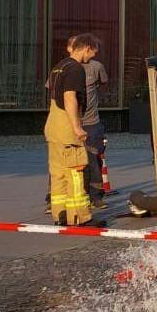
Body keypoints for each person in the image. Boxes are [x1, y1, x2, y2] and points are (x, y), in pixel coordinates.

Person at [44, 34, 99, 225]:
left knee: (58, 174)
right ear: (86, 48)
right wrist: (77, 127)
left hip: (53, 126)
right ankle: (81, 217)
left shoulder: (59, 66)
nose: (92, 57)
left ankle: (60, 215)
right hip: (67, 127)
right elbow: (69, 98)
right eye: (92, 53)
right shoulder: (76, 69)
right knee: (76, 173)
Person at [80, 41, 109, 209]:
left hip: (92, 121)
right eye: (93, 52)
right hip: (75, 121)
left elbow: (103, 84)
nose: (94, 56)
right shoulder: (66, 68)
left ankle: (97, 196)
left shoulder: (96, 67)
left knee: (94, 158)